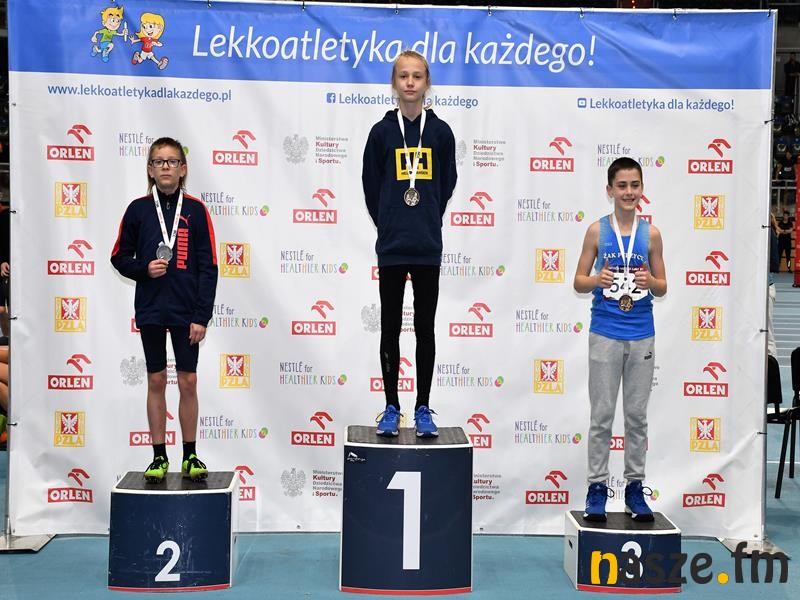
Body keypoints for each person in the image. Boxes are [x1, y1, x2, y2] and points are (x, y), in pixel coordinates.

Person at [111, 137, 218, 482]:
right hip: (152, 308)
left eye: (172, 161)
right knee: (156, 379)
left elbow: (209, 267)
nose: (166, 167)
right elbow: (118, 256)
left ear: (183, 169)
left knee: (188, 381)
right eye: (159, 162)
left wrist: (201, 316)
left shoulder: (196, 211)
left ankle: (190, 455)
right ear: (150, 169)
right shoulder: (138, 210)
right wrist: (144, 269)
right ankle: (158, 456)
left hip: (187, 311)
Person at [362, 50, 457, 438]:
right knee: (389, 328)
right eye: (404, 76)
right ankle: (391, 406)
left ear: (427, 82)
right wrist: (389, 221)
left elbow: (446, 184)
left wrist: (426, 216)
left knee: (425, 328)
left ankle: (422, 407)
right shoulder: (381, 133)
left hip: (427, 247)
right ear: (394, 83)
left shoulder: (441, 133)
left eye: (417, 76)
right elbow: (371, 186)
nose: (411, 82)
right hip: (392, 247)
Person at [573, 157, 667, 522]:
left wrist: (651, 282)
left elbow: (662, 286)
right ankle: (597, 487)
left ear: (642, 189)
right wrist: (597, 280)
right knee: (601, 416)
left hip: (641, 334)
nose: (629, 192)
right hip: (605, 332)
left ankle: (634, 488)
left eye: (635, 185)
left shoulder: (651, 234)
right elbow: (579, 280)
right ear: (610, 190)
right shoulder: (597, 231)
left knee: (636, 417)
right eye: (622, 186)